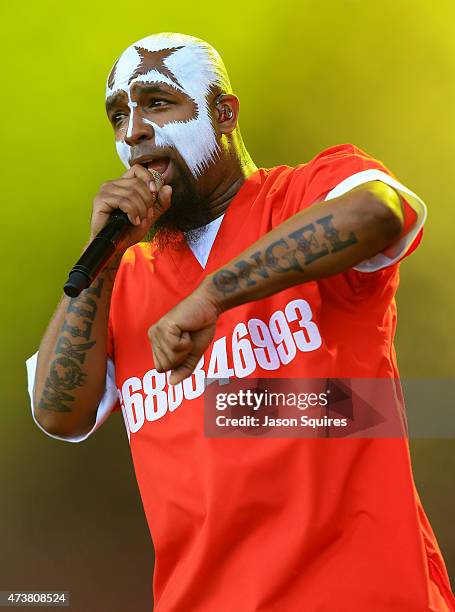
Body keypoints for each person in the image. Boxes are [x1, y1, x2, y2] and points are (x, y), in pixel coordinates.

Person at [26, 32, 455, 611]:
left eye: (156, 102)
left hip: (364, 593)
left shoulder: (303, 194)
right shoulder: (125, 280)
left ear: (223, 114)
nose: (133, 132)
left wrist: (216, 292)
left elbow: (378, 212)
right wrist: (103, 258)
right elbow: (58, 414)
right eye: (117, 116)